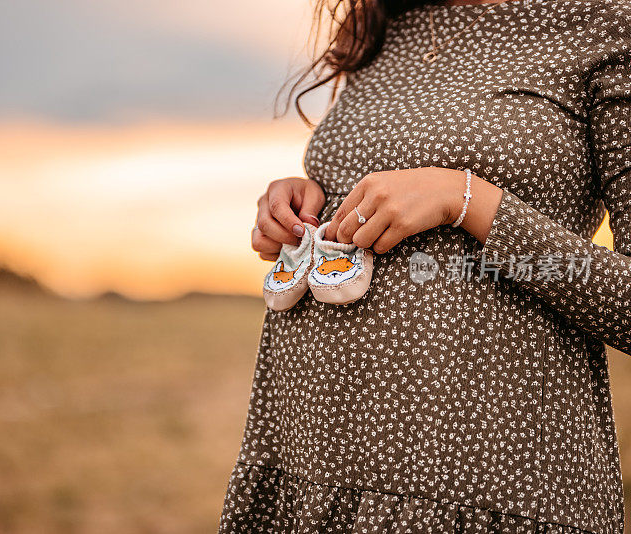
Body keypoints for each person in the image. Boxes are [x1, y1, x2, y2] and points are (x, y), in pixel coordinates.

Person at [219, 0, 631, 531]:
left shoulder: (605, 25)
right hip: (310, 468)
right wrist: (304, 204)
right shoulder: (383, 27)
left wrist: (466, 200)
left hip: (485, 490)